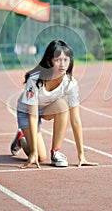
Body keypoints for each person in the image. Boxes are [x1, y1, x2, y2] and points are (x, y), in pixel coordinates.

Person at [10, 39, 98, 169]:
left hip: (48, 108)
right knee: (39, 157)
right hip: (28, 112)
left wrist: (81, 155)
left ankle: (56, 152)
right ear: (50, 60)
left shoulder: (70, 83)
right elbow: (33, 116)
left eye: (66, 60)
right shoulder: (35, 80)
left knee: (63, 106)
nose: (62, 64)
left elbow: (75, 120)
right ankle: (21, 139)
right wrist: (33, 152)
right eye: (57, 60)